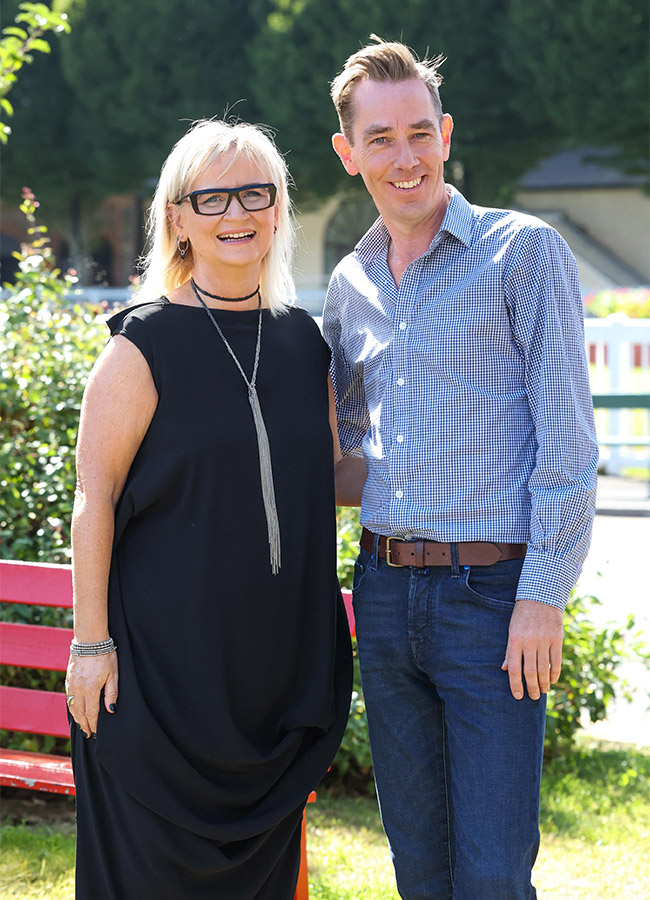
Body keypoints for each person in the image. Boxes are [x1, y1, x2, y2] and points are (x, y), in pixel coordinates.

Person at [324, 37, 598, 900]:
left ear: (445, 133)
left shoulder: (524, 253)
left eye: (418, 133)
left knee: (490, 872)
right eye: (380, 138)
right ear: (349, 153)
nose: (403, 157)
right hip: (384, 590)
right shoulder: (348, 283)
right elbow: (351, 448)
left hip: (493, 602)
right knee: (419, 863)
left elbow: (568, 442)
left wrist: (543, 597)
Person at [65, 118, 352, 900]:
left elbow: (324, 476)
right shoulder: (140, 346)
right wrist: (91, 647)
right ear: (178, 218)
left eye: (256, 192)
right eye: (213, 196)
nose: (238, 213)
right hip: (157, 683)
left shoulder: (305, 344)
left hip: (273, 680)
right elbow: (95, 499)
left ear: (279, 209)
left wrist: (455, 476)